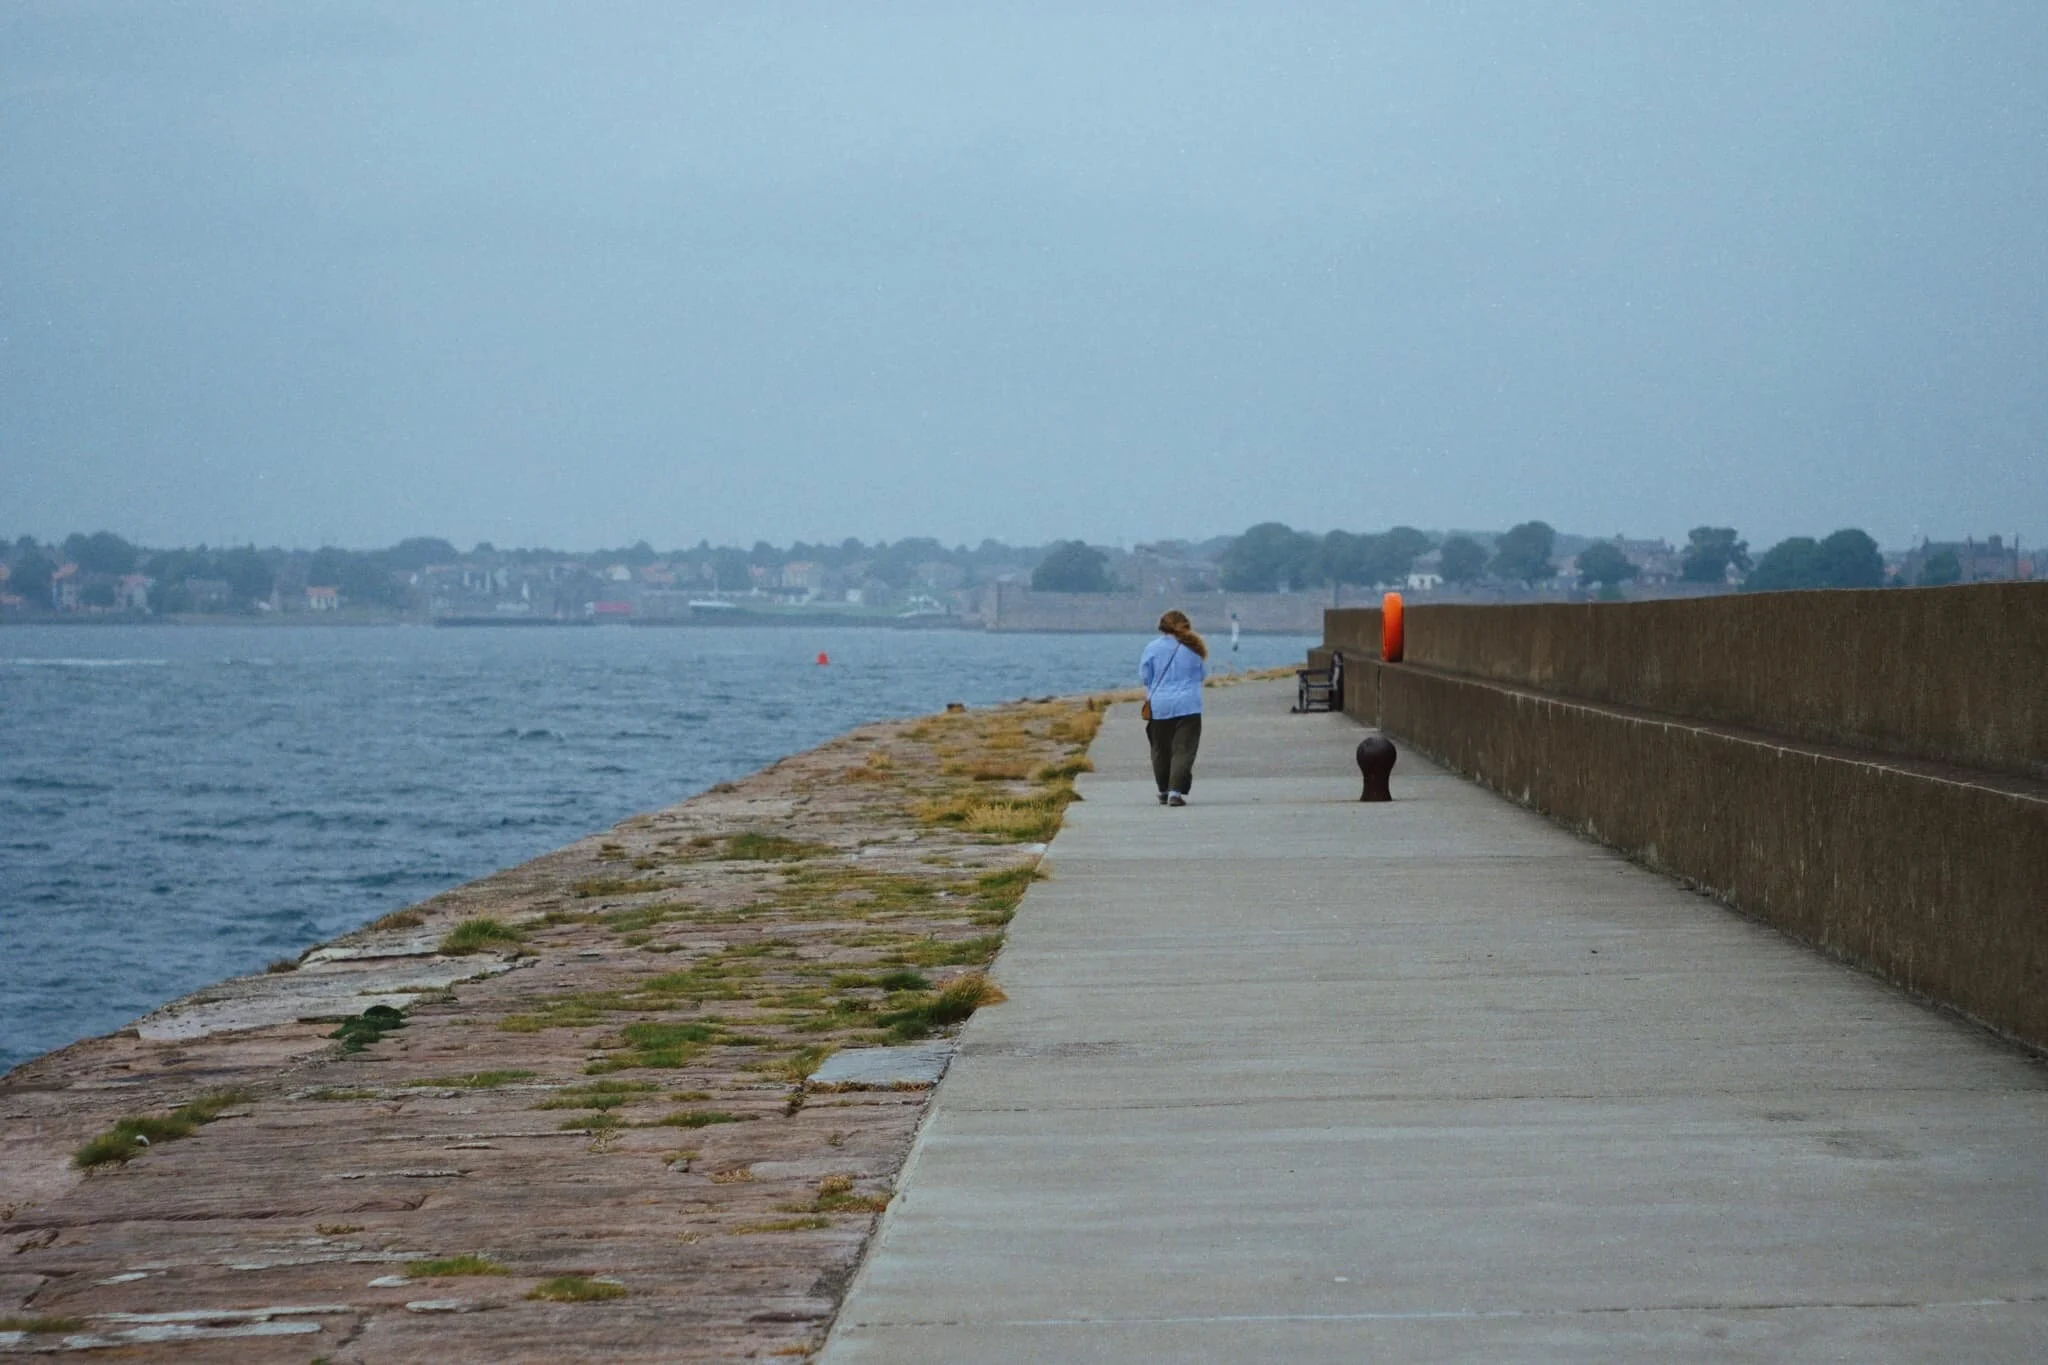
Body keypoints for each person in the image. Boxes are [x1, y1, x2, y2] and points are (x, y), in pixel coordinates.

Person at [1140, 609, 1208, 806]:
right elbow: (1201, 675)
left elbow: (1145, 676)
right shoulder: (1193, 647)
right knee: (1183, 750)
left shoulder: (1152, 648)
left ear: (1162, 626)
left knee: (1160, 749)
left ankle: (1163, 789)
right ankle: (1175, 793)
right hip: (1188, 705)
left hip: (1160, 704)